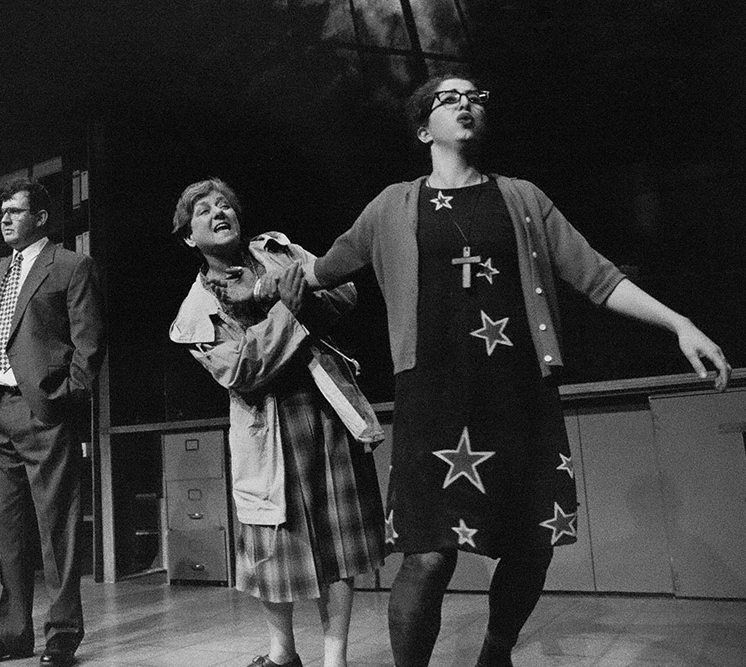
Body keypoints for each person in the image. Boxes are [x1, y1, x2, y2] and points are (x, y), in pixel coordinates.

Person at [294, 73, 732, 667]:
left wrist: (680, 323)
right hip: (433, 396)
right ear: (424, 129)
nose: (466, 104)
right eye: (449, 99)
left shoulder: (522, 197)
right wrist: (263, 277)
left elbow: (598, 277)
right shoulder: (392, 206)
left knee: (533, 541)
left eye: (475, 96)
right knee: (427, 555)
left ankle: (495, 653)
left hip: (519, 392)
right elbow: (321, 270)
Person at [169, 178, 386, 667]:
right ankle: (283, 653)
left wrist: (297, 296)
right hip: (265, 427)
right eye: (203, 211)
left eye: (225, 204)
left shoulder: (279, 251)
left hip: (325, 408)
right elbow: (242, 369)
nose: (218, 212)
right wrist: (287, 307)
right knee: (272, 545)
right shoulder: (193, 314)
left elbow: (345, 291)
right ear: (189, 237)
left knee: (338, 542)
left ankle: (336, 659)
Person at [0, 178, 105, 667]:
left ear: (41, 217)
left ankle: (63, 632)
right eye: (1, 212)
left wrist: (65, 397)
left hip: (44, 411)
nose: (4, 219)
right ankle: (12, 633)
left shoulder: (70, 265)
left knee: (57, 527)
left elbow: (89, 345)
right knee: (7, 532)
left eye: (15, 211)